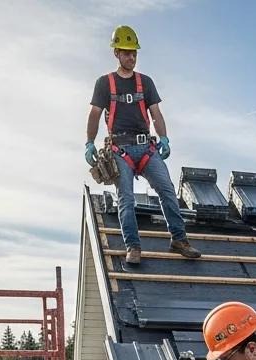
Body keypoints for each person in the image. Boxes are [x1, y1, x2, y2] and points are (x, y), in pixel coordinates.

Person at [85, 25, 201, 266]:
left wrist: (165, 138)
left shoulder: (145, 82)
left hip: (146, 148)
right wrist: (89, 143)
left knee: (167, 190)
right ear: (116, 52)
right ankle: (133, 246)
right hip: (120, 149)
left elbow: (156, 114)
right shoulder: (105, 83)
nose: (131, 57)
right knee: (126, 198)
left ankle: (179, 240)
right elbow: (95, 115)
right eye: (126, 52)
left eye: (134, 53)